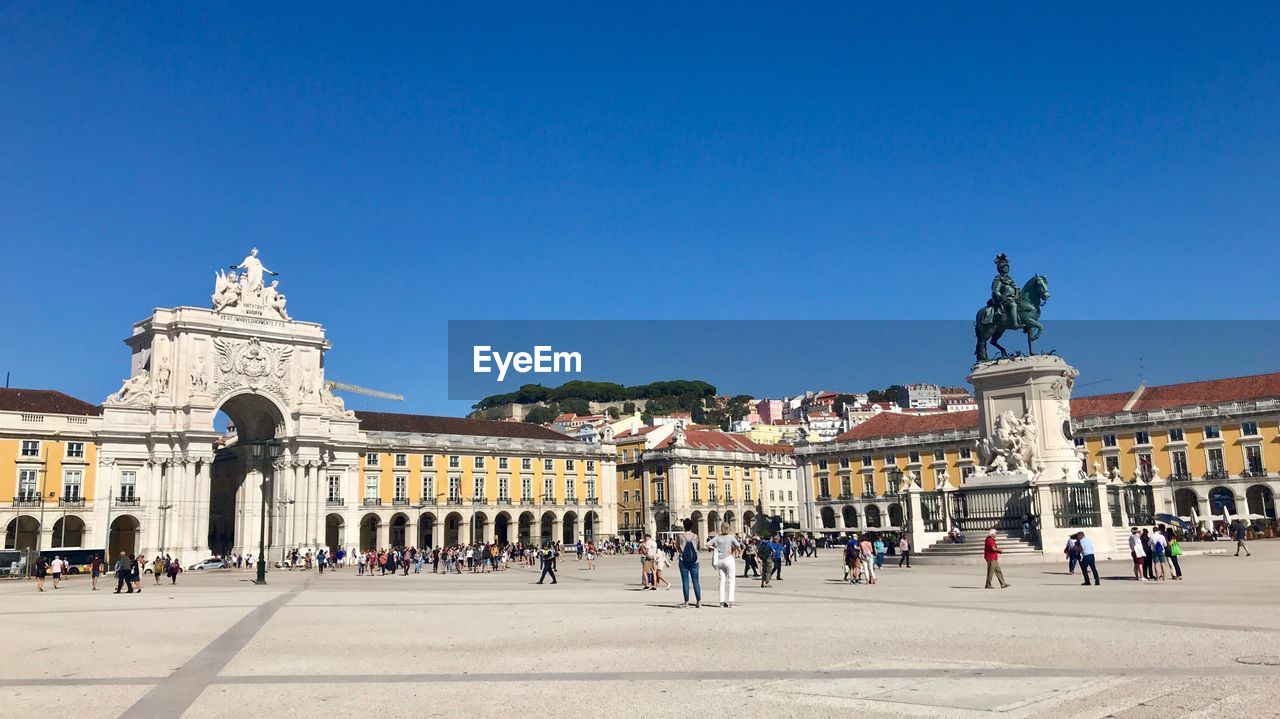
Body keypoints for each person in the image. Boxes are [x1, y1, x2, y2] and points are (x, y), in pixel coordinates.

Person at [706, 522, 742, 608]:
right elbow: (739, 546)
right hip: (728, 558)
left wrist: (715, 548)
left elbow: (707, 544)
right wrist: (733, 549)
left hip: (719, 560)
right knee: (731, 580)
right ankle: (731, 600)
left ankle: (721, 602)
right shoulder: (731, 537)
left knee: (721, 581)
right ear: (728, 528)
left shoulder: (717, 538)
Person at [677, 519, 703, 608]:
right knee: (696, 581)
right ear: (691, 526)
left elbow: (678, 548)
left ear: (684, 526)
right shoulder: (696, 536)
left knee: (685, 581)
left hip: (683, 560)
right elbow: (698, 547)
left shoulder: (680, 536)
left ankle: (686, 602)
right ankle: (699, 602)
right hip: (694, 561)